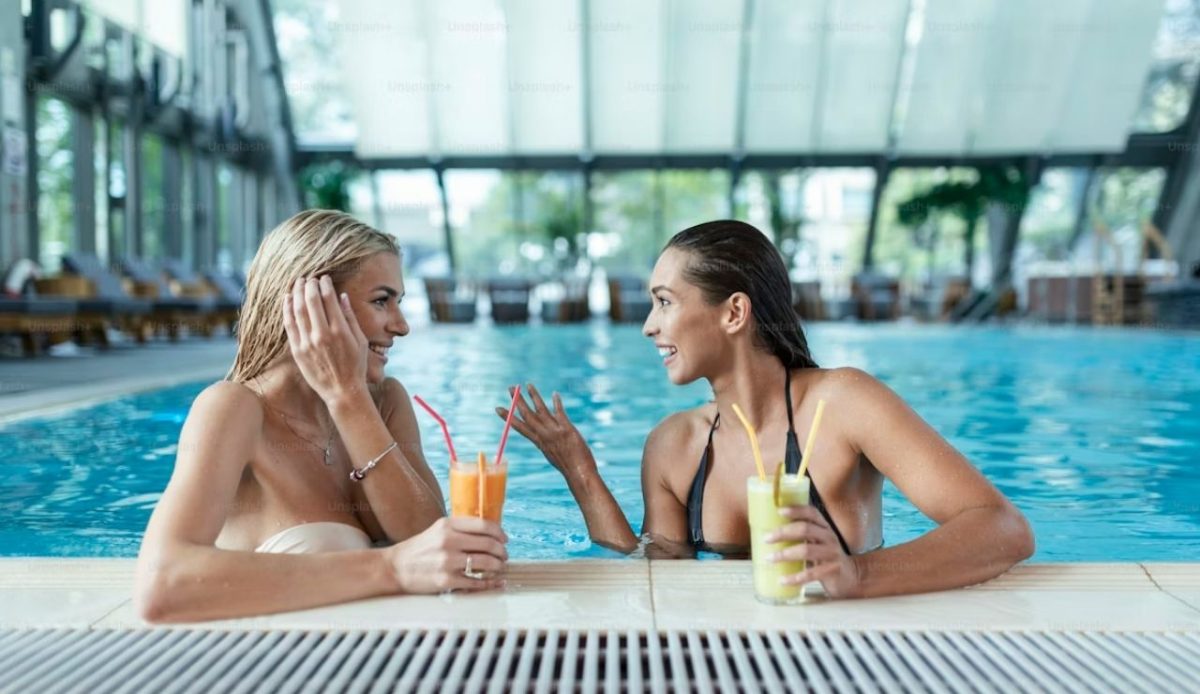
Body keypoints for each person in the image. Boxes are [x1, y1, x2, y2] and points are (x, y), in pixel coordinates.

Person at [498, 220, 1034, 599]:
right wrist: (579, 469)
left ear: (734, 312)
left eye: (665, 301)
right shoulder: (674, 445)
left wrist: (858, 576)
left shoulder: (843, 405)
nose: (649, 325)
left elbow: (1003, 528)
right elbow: (651, 572)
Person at [134, 210, 507, 623]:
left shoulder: (386, 402)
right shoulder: (234, 410)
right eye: (382, 301)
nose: (401, 327)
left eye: (399, 303)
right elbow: (162, 586)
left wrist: (347, 399)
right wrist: (389, 568)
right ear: (314, 304)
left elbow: (431, 547)